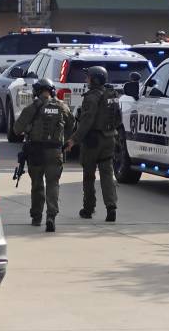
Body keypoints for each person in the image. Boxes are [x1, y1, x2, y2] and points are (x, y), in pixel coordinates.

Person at [15, 77, 75, 233]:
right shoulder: (62, 107)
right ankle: (51, 216)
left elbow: (16, 129)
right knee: (53, 184)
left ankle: (36, 217)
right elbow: (72, 124)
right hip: (55, 152)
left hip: (35, 152)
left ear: (37, 91)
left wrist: (29, 127)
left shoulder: (31, 108)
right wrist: (63, 139)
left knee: (37, 185)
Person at [65, 66, 121, 222]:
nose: (86, 80)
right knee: (107, 175)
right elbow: (118, 119)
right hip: (110, 139)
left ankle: (88, 209)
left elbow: (86, 122)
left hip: (93, 141)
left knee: (89, 176)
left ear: (95, 80)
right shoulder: (112, 95)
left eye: (88, 77)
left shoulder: (91, 98)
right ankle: (111, 207)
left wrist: (73, 139)